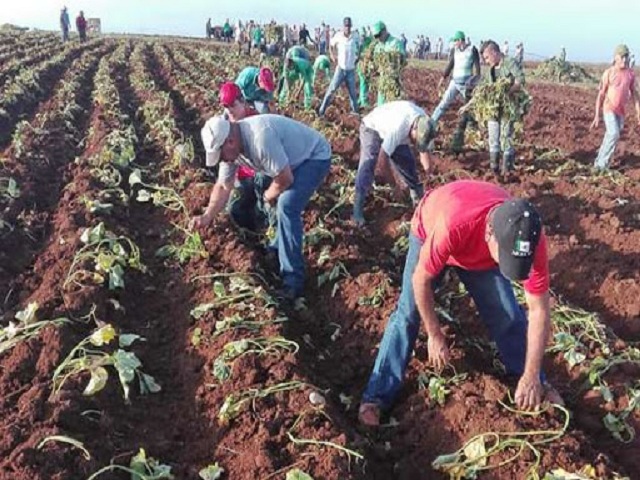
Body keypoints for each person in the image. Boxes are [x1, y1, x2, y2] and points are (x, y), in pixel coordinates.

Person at [358, 180, 564, 426]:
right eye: (505, 258)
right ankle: (377, 396)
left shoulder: (530, 237)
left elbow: (539, 310)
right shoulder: (453, 224)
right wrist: (434, 334)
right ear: (490, 234)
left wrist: (532, 375)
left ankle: (532, 382)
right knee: (408, 313)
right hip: (431, 230)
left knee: (508, 315)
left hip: (476, 253)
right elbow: (420, 280)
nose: (506, 265)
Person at [194, 114, 332, 300]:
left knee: (287, 205)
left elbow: (285, 178)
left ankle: (293, 280)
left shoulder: (260, 139)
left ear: (230, 142)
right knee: (276, 198)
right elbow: (223, 185)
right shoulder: (232, 151)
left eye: (220, 155)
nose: (222, 160)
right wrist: (207, 216)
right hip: (286, 160)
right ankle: (276, 248)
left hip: (313, 157)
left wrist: (267, 197)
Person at [352, 100, 436, 225]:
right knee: (368, 163)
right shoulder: (399, 128)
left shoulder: (425, 124)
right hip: (372, 128)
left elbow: (424, 150)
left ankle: (416, 196)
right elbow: (382, 161)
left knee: (407, 163)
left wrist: (429, 174)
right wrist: (394, 186)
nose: (415, 143)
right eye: (415, 139)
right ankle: (357, 210)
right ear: (413, 128)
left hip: (392, 128)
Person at [591, 44, 640, 170]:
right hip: (609, 108)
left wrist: (638, 112)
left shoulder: (630, 74)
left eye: (626, 57)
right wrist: (596, 116)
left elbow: (634, 94)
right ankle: (601, 165)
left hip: (621, 111)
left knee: (611, 135)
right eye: (622, 57)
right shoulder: (609, 73)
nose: (625, 59)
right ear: (616, 57)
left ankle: (600, 162)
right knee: (613, 134)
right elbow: (601, 95)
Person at [480, 40, 525, 174]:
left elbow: (520, 79)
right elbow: (486, 86)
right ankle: (494, 168)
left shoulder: (509, 63)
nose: (486, 61)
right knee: (493, 137)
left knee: (506, 137)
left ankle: (507, 169)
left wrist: (509, 91)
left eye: (487, 57)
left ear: (494, 53)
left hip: (507, 107)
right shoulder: (490, 71)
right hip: (493, 109)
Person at [431, 31, 481, 125]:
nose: (454, 43)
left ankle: (472, 126)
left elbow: (477, 67)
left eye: (455, 41)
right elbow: (450, 65)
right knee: (444, 102)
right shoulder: (455, 50)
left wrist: (476, 80)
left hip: (466, 84)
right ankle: (432, 121)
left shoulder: (472, 49)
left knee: (470, 106)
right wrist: (443, 77)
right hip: (454, 83)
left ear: (460, 40)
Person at [318, 16, 359, 117]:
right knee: (331, 90)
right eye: (346, 26)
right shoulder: (338, 36)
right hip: (340, 69)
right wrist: (332, 55)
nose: (347, 28)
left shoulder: (355, 36)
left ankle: (356, 114)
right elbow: (331, 45)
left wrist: (359, 57)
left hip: (350, 70)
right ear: (343, 26)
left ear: (351, 26)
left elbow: (360, 45)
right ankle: (321, 111)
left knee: (353, 94)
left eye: (349, 26)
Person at [371, 21, 406, 106]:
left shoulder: (395, 43)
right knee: (381, 106)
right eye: (376, 36)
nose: (378, 38)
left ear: (384, 31)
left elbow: (402, 61)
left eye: (379, 35)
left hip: (393, 80)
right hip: (382, 80)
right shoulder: (378, 45)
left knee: (393, 105)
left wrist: (392, 66)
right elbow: (375, 61)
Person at [357, 26, 373, 108]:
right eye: (361, 36)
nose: (362, 37)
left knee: (365, 82)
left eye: (363, 36)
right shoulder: (358, 42)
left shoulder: (369, 40)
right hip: (361, 64)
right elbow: (357, 54)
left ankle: (360, 99)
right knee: (363, 82)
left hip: (367, 64)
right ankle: (363, 101)